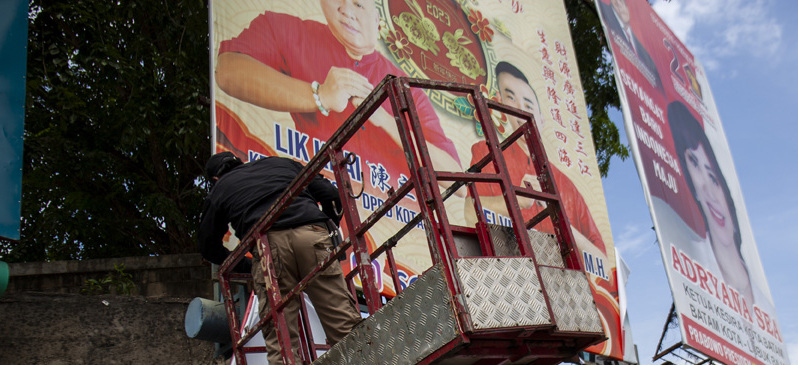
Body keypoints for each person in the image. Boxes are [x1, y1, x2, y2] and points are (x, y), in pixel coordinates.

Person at [214, 0, 460, 182]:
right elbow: (228, 71)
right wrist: (319, 95)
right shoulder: (290, 31)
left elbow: (455, 179)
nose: (346, 10)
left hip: (394, 219)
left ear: (377, 21)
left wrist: (385, 119)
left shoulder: (406, 88)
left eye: (358, 5)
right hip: (317, 205)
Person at [199, 152, 361, 365]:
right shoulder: (281, 163)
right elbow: (332, 195)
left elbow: (207, 246)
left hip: (268, 250)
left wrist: (246, 266)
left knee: (281, 340)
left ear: (215, 177)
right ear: (241, 163)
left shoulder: (220, 188)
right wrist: (328, 228)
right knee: (343, 321)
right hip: (312, 235)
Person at [463, 61, 607, 257]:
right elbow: (470, 213)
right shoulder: (486, 154)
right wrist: (516, 201)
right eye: (510, 98)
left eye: (528, 105)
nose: (519, 111)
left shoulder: (567, 187)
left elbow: (603, 264)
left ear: (540, 118)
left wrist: (556, 214)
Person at [667, 101, 756, 308]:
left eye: (713, 177)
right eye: (695, 165)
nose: (708, 190)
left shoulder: (764, 306)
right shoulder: (690, 262)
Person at [598, 0, 660, 89]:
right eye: (617, 3)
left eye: (623, 3)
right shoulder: (605, 14)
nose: (621, 7)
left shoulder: (645, 51)